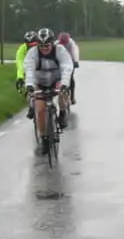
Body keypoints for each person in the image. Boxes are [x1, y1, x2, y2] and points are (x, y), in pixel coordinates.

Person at [23, 27, 74, 155]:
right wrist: (29, 85)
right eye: (41, 46)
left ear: (52, 43)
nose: (44, 49)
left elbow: (67, 67)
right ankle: (44, 140)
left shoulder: (60, 51)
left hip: (56, 79)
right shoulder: (33, 53)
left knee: (63, 93)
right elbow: (29, 69)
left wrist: (64, 84)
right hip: (40, 82)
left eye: (47, 46)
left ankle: (62, 114)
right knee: (40, 110)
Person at [15, 29, 39, 118]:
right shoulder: (21, 50)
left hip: (41, 68)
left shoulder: (42, 47)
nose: (32, 47)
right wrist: (20, 77)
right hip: (29, 69)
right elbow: (20, 64)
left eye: (34, 45)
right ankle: (31, 106)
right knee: (29, 89)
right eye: (29, 45)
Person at [57, 31, 80, 105]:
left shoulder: (71, 43)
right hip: (60, 60)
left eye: (65, 43)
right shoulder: (56, 43)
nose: (63, 44)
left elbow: (75, 52)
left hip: (70, 61)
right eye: (62, 43)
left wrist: (76, 61)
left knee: (70, 78)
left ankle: (72, 97)